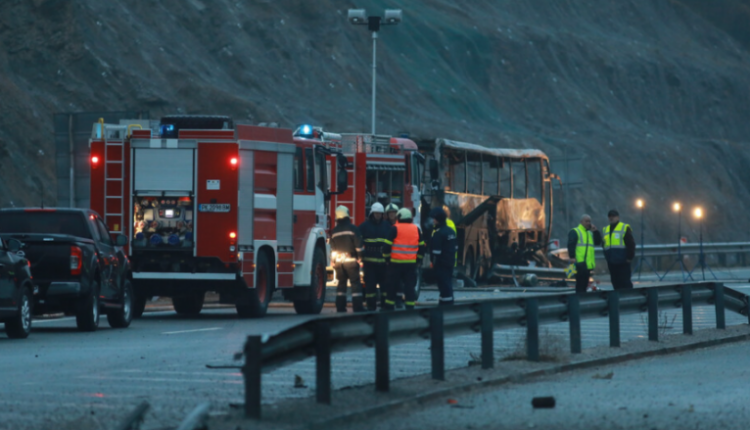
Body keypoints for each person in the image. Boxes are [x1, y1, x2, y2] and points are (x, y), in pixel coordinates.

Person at [382, 208, 426, 310]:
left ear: (399, 217)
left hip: (395, 264)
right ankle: (410, 307)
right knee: (409, 287)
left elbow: (386, 247)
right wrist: (418, 260)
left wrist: (387, 259)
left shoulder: (394, 229)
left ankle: (389, 307)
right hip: (410, 265)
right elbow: (422, 247)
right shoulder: (416, 229)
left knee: (392, 286)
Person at [330, 205, 365, 313]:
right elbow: (359, 246)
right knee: (355, 285)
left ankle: (340, 308)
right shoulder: (353, 229)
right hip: (351, 262)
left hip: (339, 262)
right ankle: (358, 308)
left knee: (341, 285)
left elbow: (333, 248)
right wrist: (360, 258)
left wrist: (333, 261)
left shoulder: (334, 232)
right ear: (347, 215)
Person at [358, 203, 390, 311]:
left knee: (385, 287)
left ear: (382, 214)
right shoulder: (364, 226)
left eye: (379, 213)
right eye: (376, 213)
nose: (378, 215)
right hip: (369, 263)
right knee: (370, 287)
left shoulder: (387, 226)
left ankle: (385, 307)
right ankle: (371, 307)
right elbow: (357, 240)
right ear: (372, 213)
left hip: (384, 263)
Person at [567, 214, 602, 294]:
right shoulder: (575, 231)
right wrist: (572, 256)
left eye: (589, 221)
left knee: (584, 284)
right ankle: (579, 300)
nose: (588, 223)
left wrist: (596, 231)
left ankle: (582, 299)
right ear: (581, 222)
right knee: (580, 284)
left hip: (587, 264)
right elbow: (571, 244)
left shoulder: (589, 233)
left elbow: (597, 242)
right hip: (579, 263)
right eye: (586, 221)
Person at [602, 209, 636, 290]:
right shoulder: (606, 229)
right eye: (610, 216)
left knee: (625, 283)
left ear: (618, 217)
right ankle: (618, 301)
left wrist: (629, 258)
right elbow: (603, 245)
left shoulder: (624, 227)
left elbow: (631, 244)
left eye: (613, 216)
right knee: (615, 283)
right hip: (612, 261)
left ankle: (629, 299)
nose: (611, 218)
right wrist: (607, 258)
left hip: (623, 261)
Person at [430, 207, 457, 305]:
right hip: (450, 263)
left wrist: (434, 265)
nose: (432, 221)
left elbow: (436, 253)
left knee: (444, 286)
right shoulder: (451, 231)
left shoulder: (438, 233)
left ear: (438, 219)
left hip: (441, 265)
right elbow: (456, 247)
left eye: (434, 218)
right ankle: (444, 304)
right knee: (447, 285)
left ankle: (446, 307)